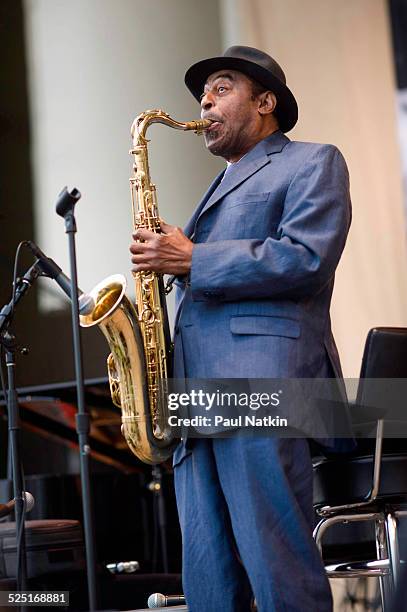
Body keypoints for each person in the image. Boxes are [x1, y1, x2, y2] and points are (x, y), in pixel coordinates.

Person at [130, 45, 351, 612]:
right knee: (209, 574)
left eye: (222, 87)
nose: (205, 99)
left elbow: (305, 257)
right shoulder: (221, 184)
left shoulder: (313, 160)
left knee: (277, 566)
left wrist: (194, 259)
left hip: (259, 386)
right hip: (197, 395)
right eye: (204, 93)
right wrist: (168, 270)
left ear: (267, 102)